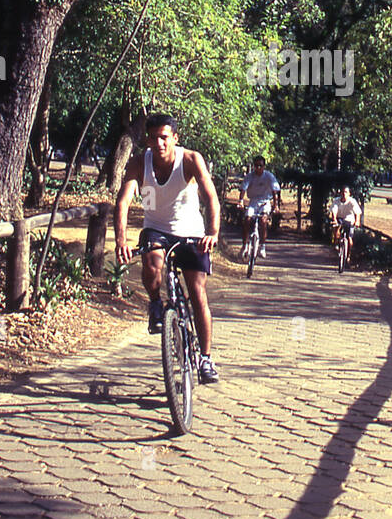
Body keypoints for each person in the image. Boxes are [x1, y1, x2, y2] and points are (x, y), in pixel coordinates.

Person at [114, 113, 220, 384]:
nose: (159, 143)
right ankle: (155, 304)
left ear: (175, 137)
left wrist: (212, 233)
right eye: (153, 138)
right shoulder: (140, 163)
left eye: (164, 137)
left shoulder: (190, 160)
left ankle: (206, 359)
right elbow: (124, 202)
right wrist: (121, 240)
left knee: (197, 293)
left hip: (192, 233)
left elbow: (210, 197)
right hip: (156, 228)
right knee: (151, 266)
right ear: (147, 140)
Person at [239, 156, 281, 260]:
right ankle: (244, 245)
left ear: (264, 166)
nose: (258, 168)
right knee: (247, 219)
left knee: (263, 221)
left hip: (265, 202)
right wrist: (240, 201)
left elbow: (275, 192)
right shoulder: (250, 176)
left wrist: (276, 206)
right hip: (253, 201)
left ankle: (262, 245)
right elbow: (243, 189)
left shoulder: (269, 176)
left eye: (260, 166)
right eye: (256, 165)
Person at [331, 185, 362, 266]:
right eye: (343, 192)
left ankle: (348, 256)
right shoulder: (336, 201)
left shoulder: (352, 201)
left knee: (349, 238)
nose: (344, 194)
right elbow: (334, 211)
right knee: (336, 228)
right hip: (339, 218)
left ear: (349, 194)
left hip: (349, 219)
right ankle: (336, 243)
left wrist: (357, 221)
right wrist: (334, 219)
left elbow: (357, 212)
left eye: (346, 192)